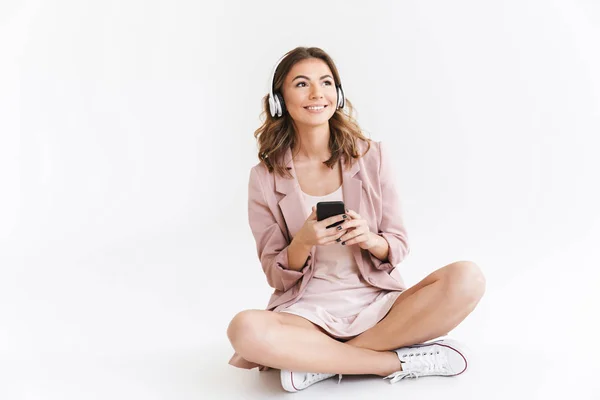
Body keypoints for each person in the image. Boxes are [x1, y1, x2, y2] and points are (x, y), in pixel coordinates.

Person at [227, 46, 486, 392]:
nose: (317, 93)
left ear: (339, 94)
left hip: (377, 305)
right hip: (307, 315)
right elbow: (275, 274)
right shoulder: (264, 178)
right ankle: (390, 362)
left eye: (327, 83)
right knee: (243, 329)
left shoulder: (372, 156)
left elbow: (398, 243)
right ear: (279, 101)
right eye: (302, 84)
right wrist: (303, 241)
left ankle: (320, 363)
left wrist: (370, 239)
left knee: (468, 277)